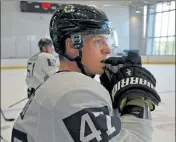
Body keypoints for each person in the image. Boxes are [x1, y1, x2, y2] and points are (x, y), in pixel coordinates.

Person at [11, 4, 161, 142]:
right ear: (72, 46)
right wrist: (135, 99)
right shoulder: (74, 93)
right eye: (98, 41)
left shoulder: (61, 86)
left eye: (107, 40)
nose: (108, 49)